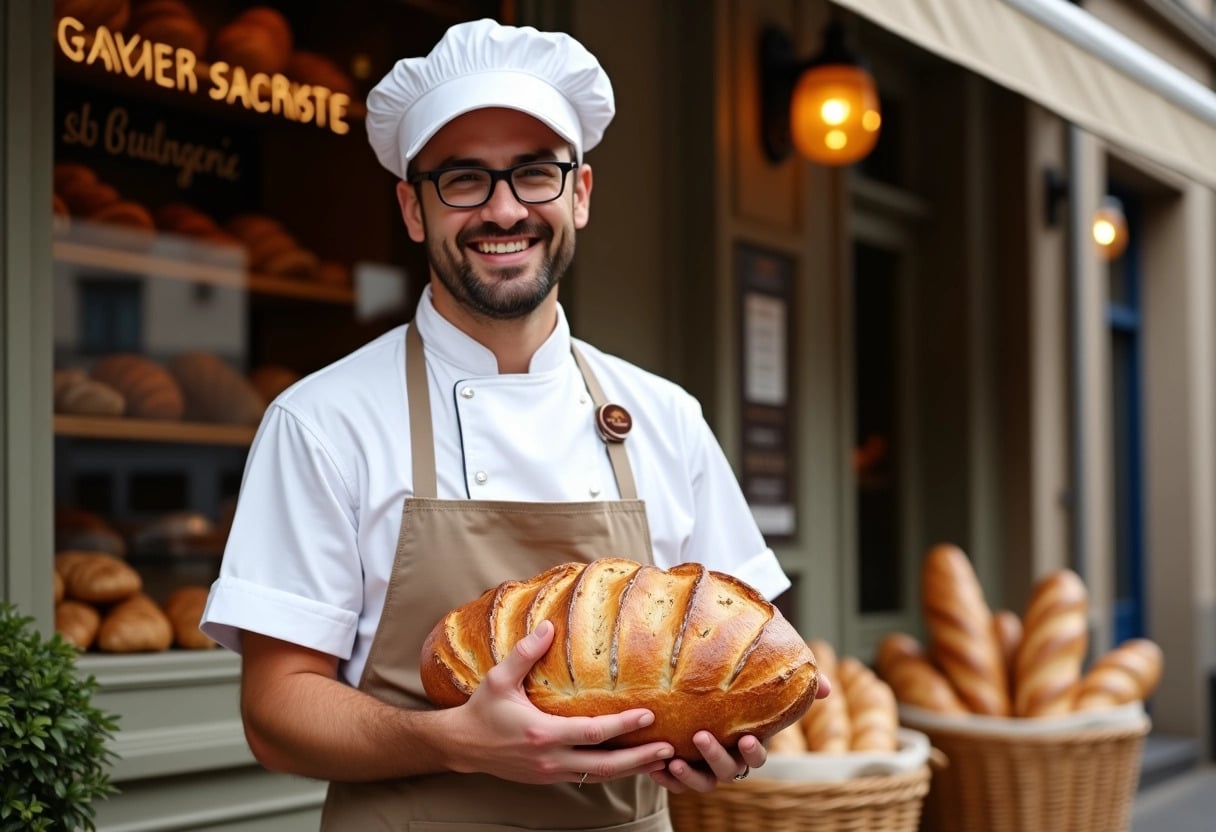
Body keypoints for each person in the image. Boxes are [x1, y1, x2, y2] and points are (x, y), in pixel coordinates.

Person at [200, 17, 828, 831]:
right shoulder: (323, 421)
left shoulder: (666, 418)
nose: (503, 211)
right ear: (413, 208)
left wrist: (722, 746)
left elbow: (760, 657)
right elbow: (275, 714)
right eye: (463, 180)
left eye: (535, 174)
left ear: (580, 195)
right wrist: (454, 742)